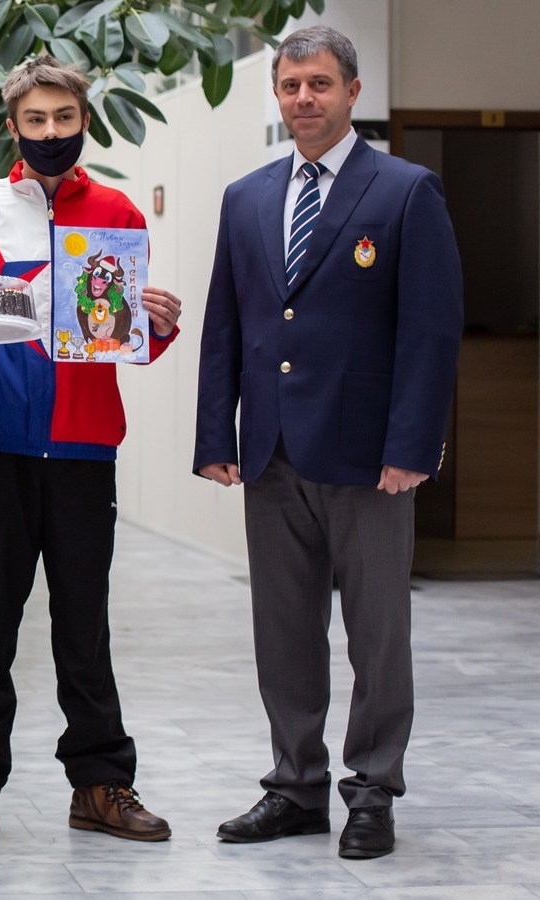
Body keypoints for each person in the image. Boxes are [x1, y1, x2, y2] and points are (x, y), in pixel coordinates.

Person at [194, 25, 462, 860]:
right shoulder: (246, 197)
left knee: (377, 633)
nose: (303, 97)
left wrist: (414, 445)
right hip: (271, 449)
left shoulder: (406, 191)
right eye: (290, 85)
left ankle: (373, 790)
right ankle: (296, 787)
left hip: (369, 456)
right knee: (283, 631)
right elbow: (226, 324)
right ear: (277, 94)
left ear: (352, 91)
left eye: (318, 83)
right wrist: (216, 432)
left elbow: (430, 332)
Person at [0, 56, 183, 848]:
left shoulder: (117, 212)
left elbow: (123, 335)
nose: (49, 132)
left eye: (63, 118)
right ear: (13, 127)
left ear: (84, 122)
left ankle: (101, 786)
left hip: (83, 448)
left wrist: (157, 325)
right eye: (35, 120)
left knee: (82, 624)